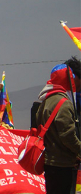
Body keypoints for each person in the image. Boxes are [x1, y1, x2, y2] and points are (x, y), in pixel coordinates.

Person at [36, 58, 81, 194]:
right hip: (62, 163)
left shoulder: (46, 100)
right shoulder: (65, 102)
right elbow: (67, 135)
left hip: (49, 161)